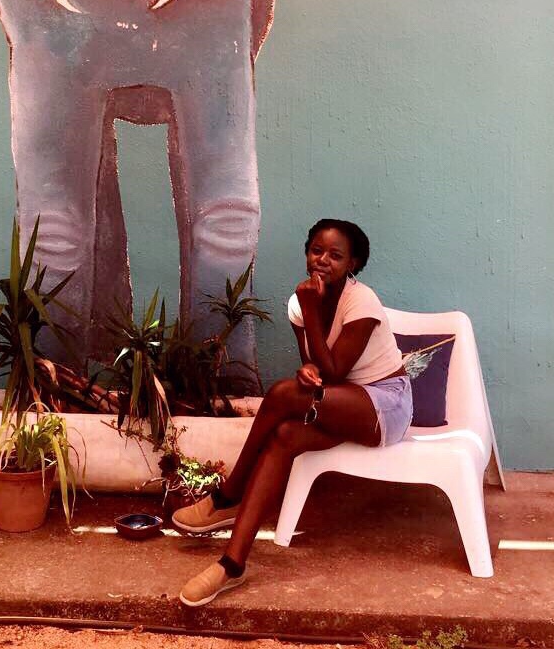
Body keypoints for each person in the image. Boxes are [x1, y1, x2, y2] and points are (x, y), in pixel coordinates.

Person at [173, 218, 413, 607]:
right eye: (316, 251)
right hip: (341, 401)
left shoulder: (361, 301)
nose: (323, 260)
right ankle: (232, 564)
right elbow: (317, 367)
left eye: (336, 255)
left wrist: (311, 311)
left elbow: (335, 371)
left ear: (352, 264)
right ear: (306, 254)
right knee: (284, 435)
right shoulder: (298, 302)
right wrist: (307, 370)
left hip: (384, 403)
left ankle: (228, 493)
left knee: (283, 393)